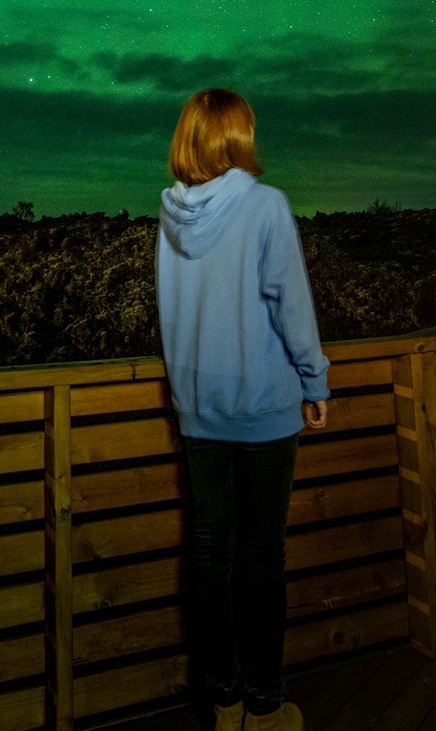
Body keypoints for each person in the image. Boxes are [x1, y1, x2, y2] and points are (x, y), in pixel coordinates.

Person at [156, 88, 330, 731]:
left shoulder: (169, 214)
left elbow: (174, 315)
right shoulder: (265, 207)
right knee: (261, 560)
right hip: (261, 404)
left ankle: (223, 700)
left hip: (199, 407)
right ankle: (263, 705)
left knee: (209, 555)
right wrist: (315, 383)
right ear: (238, 136)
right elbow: (292, 306)